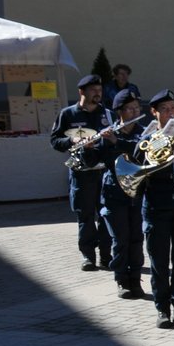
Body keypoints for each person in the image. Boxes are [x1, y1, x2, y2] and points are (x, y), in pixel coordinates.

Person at [140, 89, 174, 330]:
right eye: (164, 109)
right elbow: (137, 164)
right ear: (154, 112)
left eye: (173, 108)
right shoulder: (148, 137)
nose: (170, 112)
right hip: (156, 205)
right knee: (159, 261)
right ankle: (162, 308)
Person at [50, 74, 113, 272]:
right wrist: (72, 141)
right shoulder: (68, 114)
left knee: (106, 215)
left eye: (99, 90)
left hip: (104, 172)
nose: (97, 94)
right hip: (81, 173)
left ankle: (106, 256)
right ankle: (88, 256)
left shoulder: (108, 114)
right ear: (81, 92)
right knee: (85, 216)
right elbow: (55, 141)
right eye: (93, 90)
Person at [92, 90, 148, 300]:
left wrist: (118, 142)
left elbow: (141, 152)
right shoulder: (108, 133)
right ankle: (122, 279)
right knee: (120, 239)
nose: (134, 112)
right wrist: (88, 147)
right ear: (119, 112)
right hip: (114, 193)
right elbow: (95, 160)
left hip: (138, 193)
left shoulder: (144, 132)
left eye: (136, 108)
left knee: (136, 238)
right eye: (129, 109)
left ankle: (135, 278)